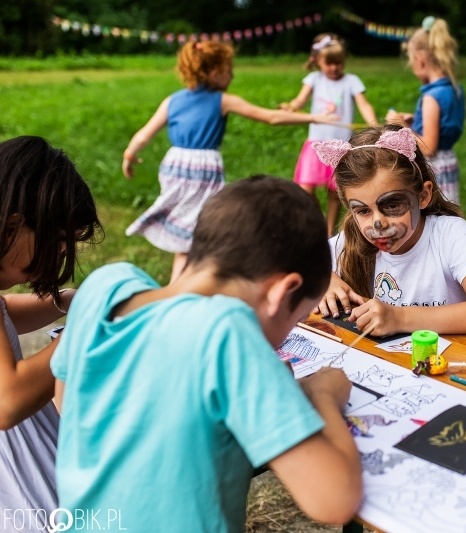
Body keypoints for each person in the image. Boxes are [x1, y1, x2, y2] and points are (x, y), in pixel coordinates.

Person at [52, 176, 362, 531]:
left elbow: (66, 402)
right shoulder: (228, 330)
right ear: (282, 291)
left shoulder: (103, 288)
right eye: (296, 319)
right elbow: (334, 500)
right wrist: (322, 396)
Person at [122, 40, 340, 282]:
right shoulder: (222, 100)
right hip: (203, 168)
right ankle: (182, 285)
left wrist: (129, 155)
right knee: (196, 227)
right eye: (229, 69)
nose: (232, 75)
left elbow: (144, 133)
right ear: (215, 73)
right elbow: (270, 117)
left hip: (174, 164)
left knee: (187, 223)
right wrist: (316, 118)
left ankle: (187, 277)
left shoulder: (173, 100)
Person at [313, 125, 466, 337]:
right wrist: (326, 279)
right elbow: (299, 262)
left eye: (391, 205)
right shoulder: (352, 239)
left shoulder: (449, 235)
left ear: (424, 196)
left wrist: (400, 318)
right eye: (363, 211)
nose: (378, 223)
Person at [0, 136, 101, 526]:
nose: (61, 256)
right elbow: (7, 402)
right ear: (12, 226)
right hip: (23, 498)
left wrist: (71, 300)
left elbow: (4, 313)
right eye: (58, 243)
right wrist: (89, 329)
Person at [281, 33, 379, 237]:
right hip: (316, 144)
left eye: (339, 63)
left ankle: (328, 230)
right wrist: (291, 106)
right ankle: (318, 219)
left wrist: (374, 124)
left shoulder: (351, 81)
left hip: (341, 145)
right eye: (329, 63)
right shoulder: (314, 79)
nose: (334, 68)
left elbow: (364, 104)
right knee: (305, 188)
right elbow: (299, 101)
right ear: (317, 61)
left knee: (335, 191)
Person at [386, 16, 465, 204]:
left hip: (434, 168)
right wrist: (415, 121)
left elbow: (428, 147)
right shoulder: (454, 88)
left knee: (434, 216)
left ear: (420, 60)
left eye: (412, 62)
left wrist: (401, 127)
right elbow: (445, 122)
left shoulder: (431, 97)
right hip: (448, 161)